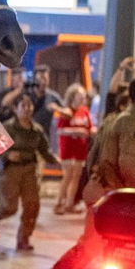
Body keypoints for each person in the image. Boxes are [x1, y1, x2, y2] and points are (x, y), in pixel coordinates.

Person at [20, 79, 135, 269]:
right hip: (110, 200)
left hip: (104, 196)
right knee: (93, 249)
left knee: (97, 249)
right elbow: (129, 166)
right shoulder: (130, 123)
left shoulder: (114, 119)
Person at [0, 95, 57, 253]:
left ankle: (23, 239)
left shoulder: (36, 129)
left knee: (32, 205)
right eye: (23, 105)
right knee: (10, 207)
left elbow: (44, 149)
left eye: (29, 105)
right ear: (15, 109)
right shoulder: (8, 128)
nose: (27, 109)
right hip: (10, 171)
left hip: (29, 170)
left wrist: (55, 160)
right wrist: (7, 155)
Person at [51, 85, 93, 214]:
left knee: (76, 176)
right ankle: (59, 202)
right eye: (79, 95)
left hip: (80, 148)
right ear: (73, 96)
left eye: (83, 96)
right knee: (68, 175)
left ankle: (70, 203)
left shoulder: (84, 111)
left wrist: (91, 131)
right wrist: (77, 131)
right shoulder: (67, 112)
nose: (82, 98)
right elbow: (60, 130)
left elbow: (89, 127)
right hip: (68, 148)